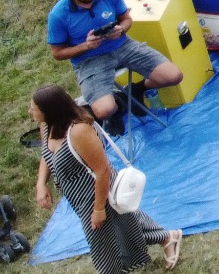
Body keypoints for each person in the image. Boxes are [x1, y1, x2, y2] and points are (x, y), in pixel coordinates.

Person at [31, 86, 182, 273]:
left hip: (96, 191)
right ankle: (168, 237)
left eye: (34, 109)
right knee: (124, 225)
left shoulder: (79, 131)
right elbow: (47, 154)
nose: (30, 112)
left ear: (50, 110)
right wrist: (41, 184)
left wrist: (99, 208)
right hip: (77, 197)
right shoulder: (47, 125)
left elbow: (102, 171)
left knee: (103, 244)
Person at [47, 0, 183, 124]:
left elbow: (127, 19)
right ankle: (118, 104)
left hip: (123, 45)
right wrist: (86, 46)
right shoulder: (58, 16)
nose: (90, 0)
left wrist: (121, 29)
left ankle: (136, 90)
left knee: (174, 76)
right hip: (90, 60)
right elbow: (57, 53)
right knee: (105, 110)